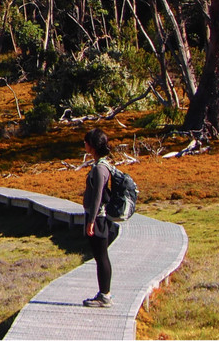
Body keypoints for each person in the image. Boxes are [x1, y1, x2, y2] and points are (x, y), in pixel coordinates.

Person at [82, 127, 118, 308]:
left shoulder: (99, 169)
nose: (85, 144)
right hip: (99, 218)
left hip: (99, 219)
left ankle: (105, 296)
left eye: (87, 141)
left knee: (101, 256)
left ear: (93, 146)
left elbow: (97, 197)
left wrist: (91, 221)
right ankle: (104, 293)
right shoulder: (102, 165)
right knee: (100, 256)